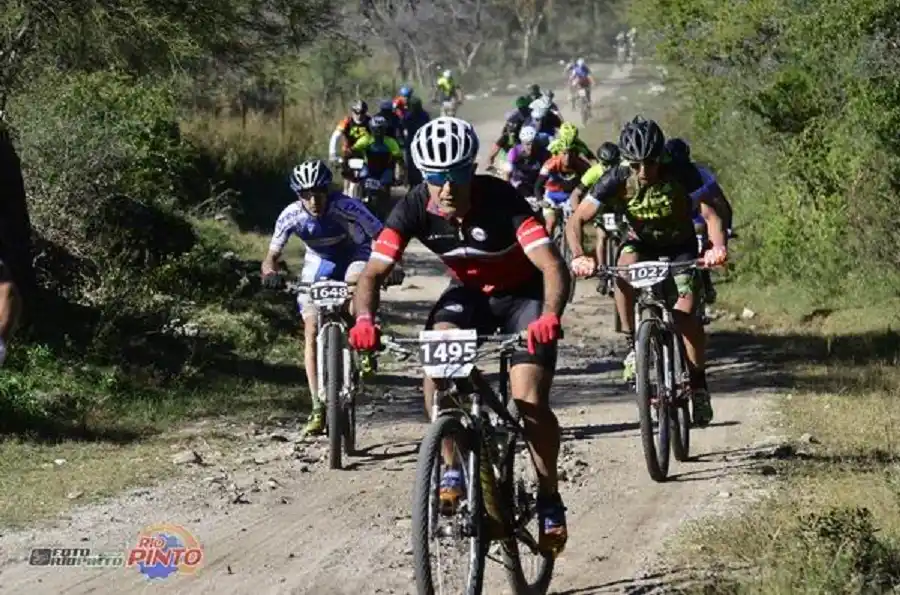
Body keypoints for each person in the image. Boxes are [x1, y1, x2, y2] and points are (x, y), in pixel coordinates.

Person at [348, 117, 571, 557]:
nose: (447, 188)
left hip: (523, 297)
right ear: (421, 175)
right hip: (470, 294)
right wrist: (364, 320)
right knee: (438, 370)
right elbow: (372, 272)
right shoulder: (413, 206)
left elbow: (551, 267)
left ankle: (549, 497)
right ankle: (451, 465)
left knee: (528, 400)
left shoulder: (501, 199)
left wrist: (549, 314)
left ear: (472, 168)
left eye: (457, 175)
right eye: (435, 177)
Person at [565, 117, 729, 427]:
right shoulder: (616, 177)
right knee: (622, 274)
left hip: (681, 247)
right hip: (640, 244)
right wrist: (579, 255)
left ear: (661, 157)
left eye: (651, 163)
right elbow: (577, 220)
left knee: (685, 317)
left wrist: (716, 247)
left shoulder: (680, 172)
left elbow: (711, 214)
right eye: (636, 164)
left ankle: (698, 385)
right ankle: (631, 346)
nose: (644, 172)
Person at [260, 160, 387, 435]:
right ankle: (318, 406)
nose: (314, 199)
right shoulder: (291, 215)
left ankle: (364, 338)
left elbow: (381, 234)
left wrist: (390, 264)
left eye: (319, 192)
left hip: (356, 253)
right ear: (298, 195)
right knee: (311, 328)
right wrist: (270, 272)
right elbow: (271, 255)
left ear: (328, 190)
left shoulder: (347, 205)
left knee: (356, 284)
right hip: (320, 260)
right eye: (306, 194)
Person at [665, 137, 733, 306]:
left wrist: (723, 235)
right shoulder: (661, 174)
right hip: (673, 220)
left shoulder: (699, 174)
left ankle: (705, 281)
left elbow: (719, 205)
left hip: (697, 216)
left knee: (702, 241)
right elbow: (722, 204)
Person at [569, 142, 622, 272]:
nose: (609, 168)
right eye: (605, 164)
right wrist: (578, 214)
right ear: (600, 162)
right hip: (600, 205)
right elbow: (576, 194)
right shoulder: (593, 172)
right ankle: (602, 269)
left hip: (617, 205)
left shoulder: (622, 170)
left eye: (612, 164)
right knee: (602, 236)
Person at [534, 127, 592, 237]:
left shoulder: (582, 165)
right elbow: (538, 185)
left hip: (570, 197)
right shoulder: (551, 163)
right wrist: (540, 200)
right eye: (564, 153)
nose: (567, 157)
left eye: (571, 154)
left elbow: (590, 183)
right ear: (560, 152)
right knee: (550, 223)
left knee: (575, 225)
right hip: (552, 195)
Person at [349, 115, 405, 219]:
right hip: (368, 168)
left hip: (385, 170)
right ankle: (356, 204)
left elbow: (399, 159)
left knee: (385, 187)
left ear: (385, 129)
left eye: (381, 129)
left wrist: (401, 174)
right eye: (376, 129)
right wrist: (348, 158)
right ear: (371, 129)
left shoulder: (391, 142)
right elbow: (352, 150)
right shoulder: (365, 140)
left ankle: (385, 211)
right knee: (359, 181)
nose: (378, 132)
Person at [329, 100, 371, 194]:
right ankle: (345, 193)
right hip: (348, 153)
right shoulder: (347, 121)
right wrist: (332, 153)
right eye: (357, 112)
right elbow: (335, 136)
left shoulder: (369, 121)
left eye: (362, 112)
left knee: (369, 174)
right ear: (352, 112)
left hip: (364, 153)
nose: (359, 115)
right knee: (347, 175)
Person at [505, 125, 552, 202]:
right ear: (522, 143)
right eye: (527, 144)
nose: (530, 147)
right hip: (519, 182)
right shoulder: (514, 152)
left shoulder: (543, 152)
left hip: (536, 182)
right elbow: (507, 174)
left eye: (533, 143)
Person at [485, 96, 531, 169]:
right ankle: (490, 162)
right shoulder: (515, 115)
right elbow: (505, 131)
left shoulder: (529, 113)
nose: (523, 109)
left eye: (524, 108)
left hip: (519, 136)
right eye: (521, 108)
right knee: (501, 144)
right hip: (511, 137)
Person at [400, 96, 431, 186]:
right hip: (415, 142)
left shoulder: (410, 115)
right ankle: (413, 183)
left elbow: (402, 127)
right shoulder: (422, 115)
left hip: (417, 142)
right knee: (413, 164)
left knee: (416, 164)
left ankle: (416, 183)